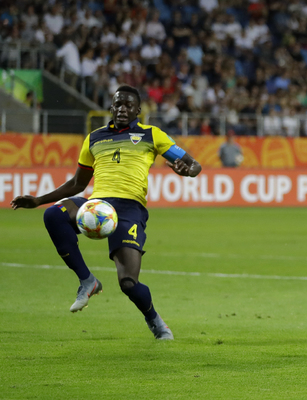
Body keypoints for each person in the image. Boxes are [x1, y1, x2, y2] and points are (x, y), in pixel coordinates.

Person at [10, 85, 202, 340]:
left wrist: (187, 171)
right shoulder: (94, 138)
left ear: (138, 110)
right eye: (118, 104)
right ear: (111, 108)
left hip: (129, 209)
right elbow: (78, 183)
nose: (122, 108)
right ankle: (87, 280)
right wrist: (38, 200)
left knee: (128, 284)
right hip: (96, 205)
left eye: (128, 105)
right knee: (54, 215)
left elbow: (194, 164)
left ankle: (154, 320)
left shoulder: (152, 135)